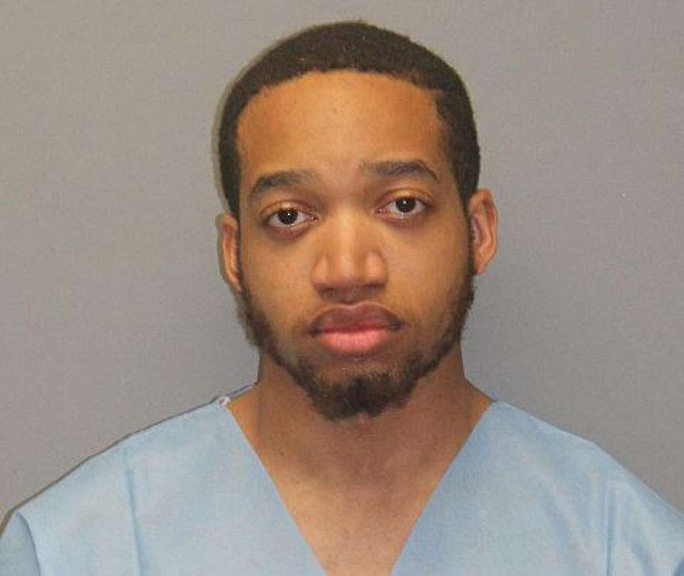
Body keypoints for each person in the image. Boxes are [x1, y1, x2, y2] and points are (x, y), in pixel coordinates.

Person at [1, 21, 683, 576]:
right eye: (290, 217)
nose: (348, 269)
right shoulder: (77, 551)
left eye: (403, 205)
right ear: (234, 254)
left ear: (478, 232)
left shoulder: (628, 551)